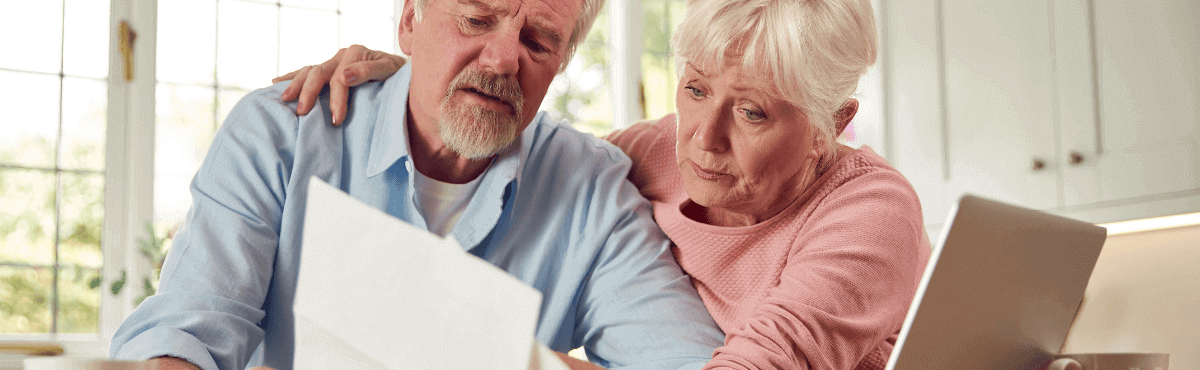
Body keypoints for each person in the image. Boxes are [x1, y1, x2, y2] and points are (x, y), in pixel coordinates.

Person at [282, 0, 933, 369]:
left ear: (833, 124)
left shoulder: (871, 210)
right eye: (697, 89)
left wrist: (520, 358)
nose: (704, 137)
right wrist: (423, 81)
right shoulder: (654, 152)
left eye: (754, 112)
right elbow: (526, 153)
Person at [107, 0, 729, 369]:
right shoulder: (283, 134)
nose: (502, 59)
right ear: (409, 19)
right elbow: (187, 335)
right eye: (476, 18)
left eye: (538, 41)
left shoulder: (592, 191)